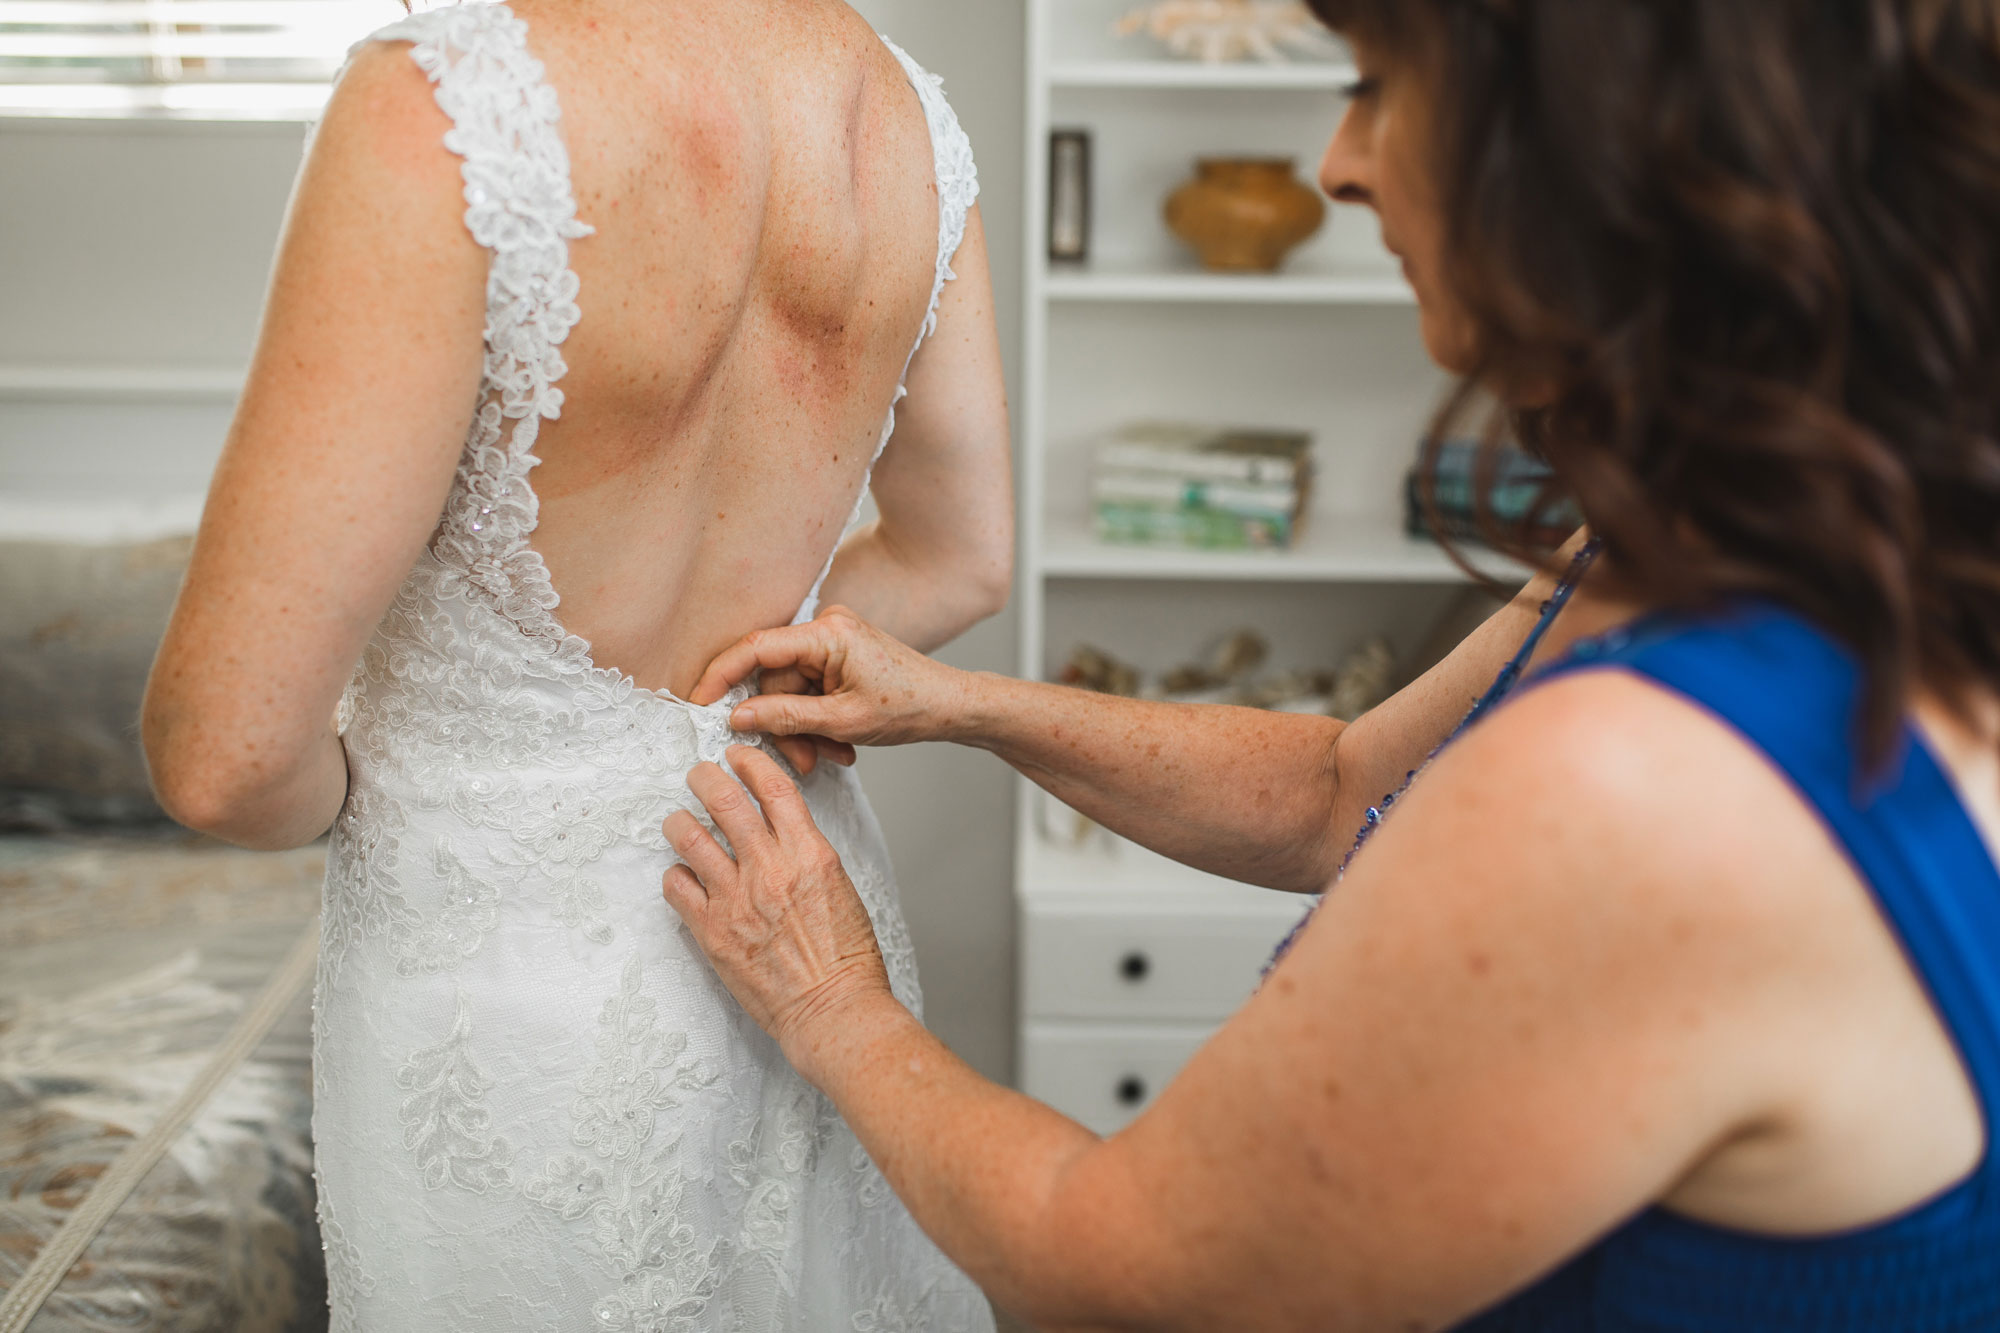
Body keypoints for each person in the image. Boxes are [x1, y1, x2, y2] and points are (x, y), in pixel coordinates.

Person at [659, 1, 2000, 1329]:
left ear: (1596, 154)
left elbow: (1125, 1268)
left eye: (1375, 87)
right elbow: (1336, 785)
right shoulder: (1745, 556)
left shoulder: (1638, 786)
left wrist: (834, 1002)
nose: (1336, 163)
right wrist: (959, 704)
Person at [138, 0, 1012, 1326]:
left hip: (504, 1009)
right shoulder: (903, 118)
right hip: (790, 888)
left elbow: (224, 751)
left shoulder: (440, 105)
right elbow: (962, 561)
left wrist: (411, 762)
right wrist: (729, 696)